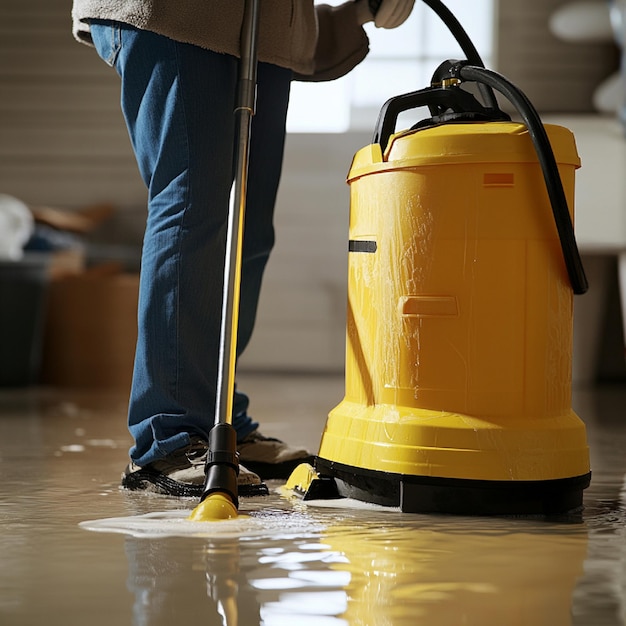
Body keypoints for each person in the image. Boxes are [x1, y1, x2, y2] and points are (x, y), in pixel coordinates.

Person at [71, 0, 415, 497]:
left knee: (246, 231)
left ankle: (221, 421)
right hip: (181, 16)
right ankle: (168, 435)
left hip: (266, 28)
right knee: (193, 212)